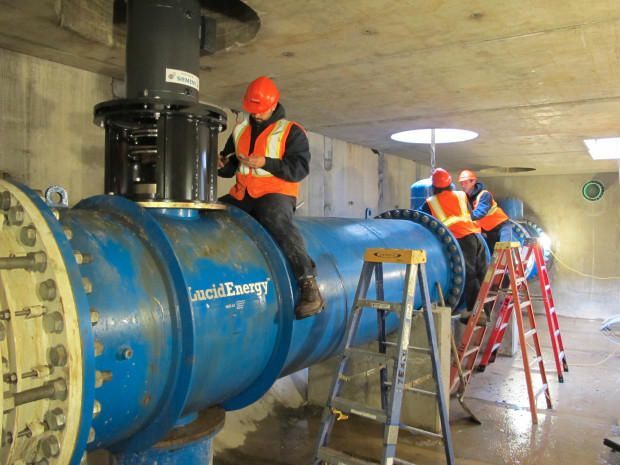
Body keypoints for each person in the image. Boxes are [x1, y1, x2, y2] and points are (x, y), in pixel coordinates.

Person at [218, 76, 324, 319]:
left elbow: (299, 169)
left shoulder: (291, 131)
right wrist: (221, 165)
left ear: (274, 105)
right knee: (212, 212)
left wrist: (266, 162)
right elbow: (230, 165)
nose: (255, 114)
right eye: (252, 109)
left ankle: (309, 286)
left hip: (276, 193)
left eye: (260, 110)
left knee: (276, 221)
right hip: (243, 193)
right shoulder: (240, 130)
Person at [420, 168, 488, 324]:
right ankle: (486, 310)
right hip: (475, 236)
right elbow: (471, 214)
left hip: (459, 238)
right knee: (482, 273)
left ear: (434, 187)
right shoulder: (461, 195)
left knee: (469, 274)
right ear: (450, 183)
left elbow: (422, 219)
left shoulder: (431, 202)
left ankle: (475, 313)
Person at [458, 169, 511, 253]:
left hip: (501, 227)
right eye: (461, 183)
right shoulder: (466, 199)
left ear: (473, 182)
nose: (463, 185)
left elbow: (480, 213)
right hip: (489, 230)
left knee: (503, 252)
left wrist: (463, 219)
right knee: (493, 254)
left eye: (465, 183)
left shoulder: (484, 195)